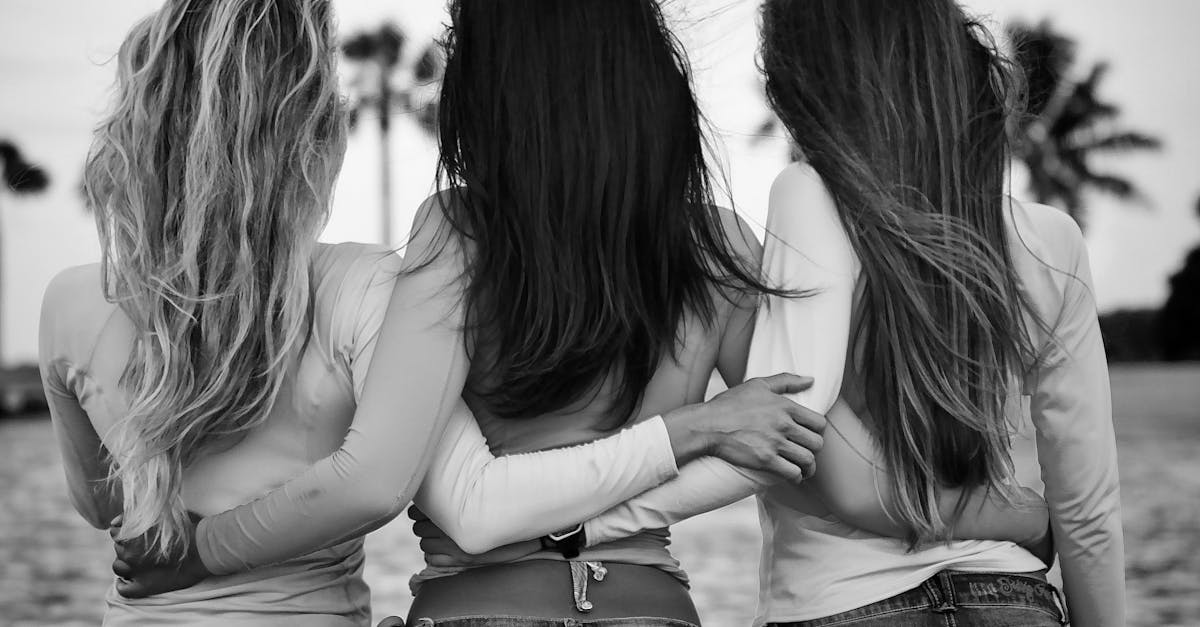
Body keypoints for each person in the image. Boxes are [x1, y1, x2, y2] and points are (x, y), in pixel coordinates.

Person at [42, 0, 823, 625]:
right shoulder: (719, 246)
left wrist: (205, 544)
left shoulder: (458, 234)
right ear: (647, 76)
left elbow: (425, 489)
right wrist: (674, 449)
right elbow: (784, 443)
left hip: (473, 606)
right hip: (649, 606)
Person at [416, 1, 1123, 626]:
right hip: (1013, 594)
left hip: (846, 602)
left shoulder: (808, 196)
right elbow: (1088, 516)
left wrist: (577, 529)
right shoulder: (1052, 241)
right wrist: (1018, 513)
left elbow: (807, 440)